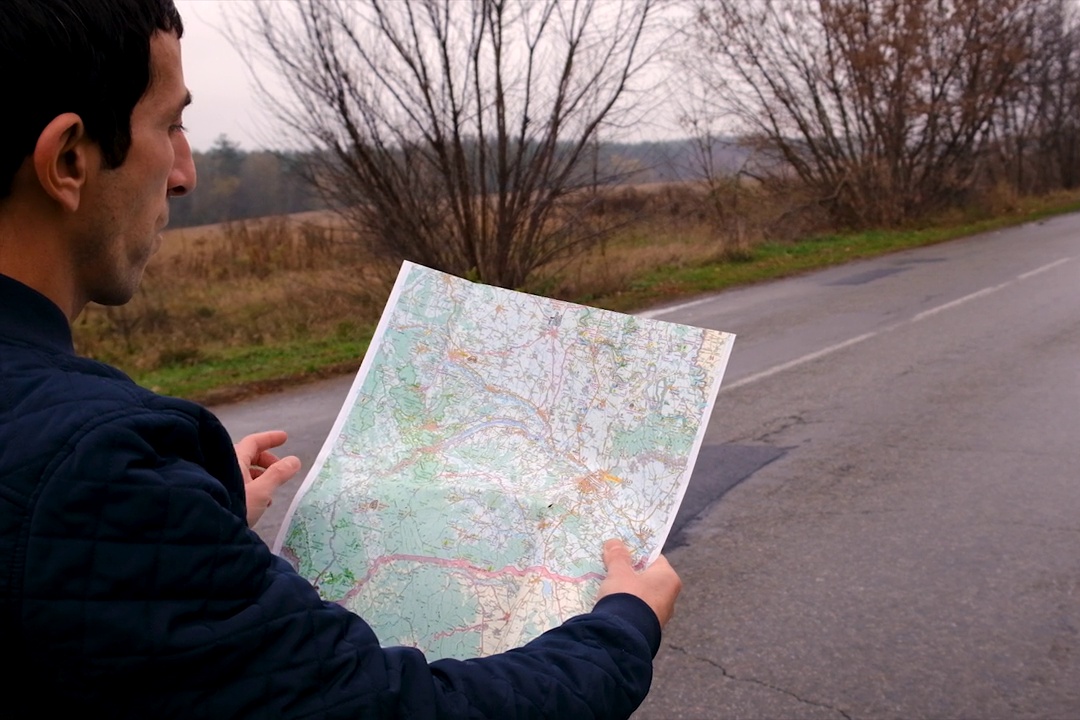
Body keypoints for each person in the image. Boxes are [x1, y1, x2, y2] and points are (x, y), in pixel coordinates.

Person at [0, 1, 681, 717]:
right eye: (169, 125)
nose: (184, 174)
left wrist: (186, 518)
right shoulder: (93, 470)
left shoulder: (91, 478)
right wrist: (619, 632)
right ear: (70, 159)